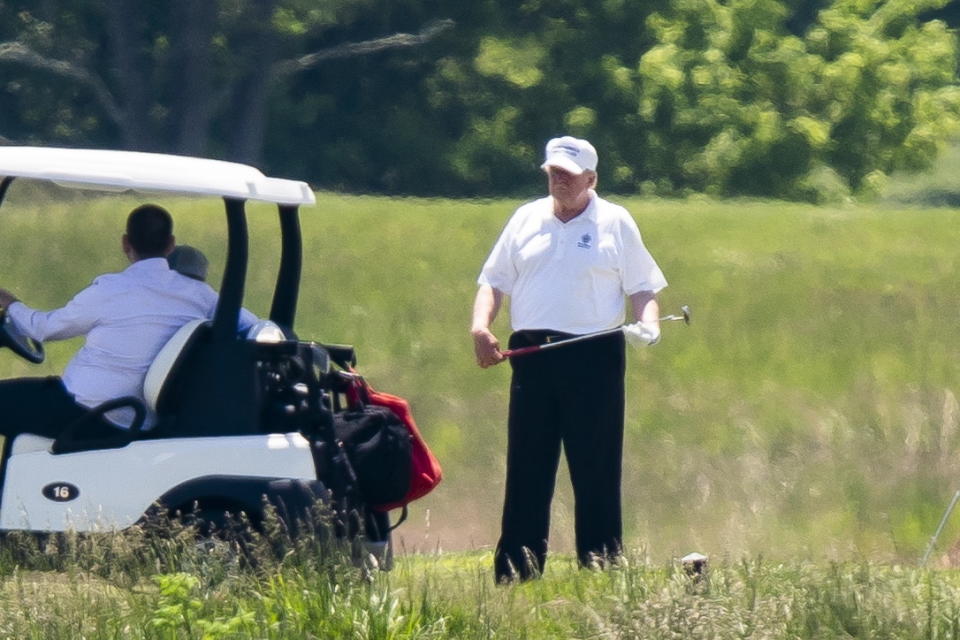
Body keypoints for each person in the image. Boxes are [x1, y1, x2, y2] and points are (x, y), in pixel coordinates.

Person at [471, 136, 668, 582]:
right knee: (527, 466)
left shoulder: (615, 222)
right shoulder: (526, 218)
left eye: (568, 174)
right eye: (552, 172)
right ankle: (517, 573)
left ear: (591, 179)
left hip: (593, 354)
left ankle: (600, 570)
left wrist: (648, 325)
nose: (558, 180)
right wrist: (481, 327)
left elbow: (642, 288)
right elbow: (494, 281)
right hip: (532, 354)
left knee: (595, 467)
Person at [0, 204, 256, 440]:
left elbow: (43, 329)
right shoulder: (200, 295)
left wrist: (11, 304)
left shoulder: (110, 290)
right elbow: (254, 326)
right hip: (141, 417)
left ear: (126, 244)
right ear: (170, 244)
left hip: (86, 410)